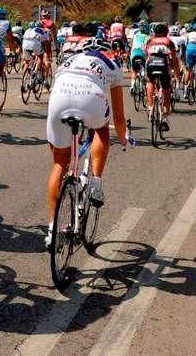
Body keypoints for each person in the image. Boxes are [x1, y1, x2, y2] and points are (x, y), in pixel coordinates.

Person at [45, 36, 126, 248]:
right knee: (101, 129)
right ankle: (96, 183)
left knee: (59, 164)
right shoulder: (112, 63)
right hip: (91, 99)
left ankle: (52, 228)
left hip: (59, 100)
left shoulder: (67, 60)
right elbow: (118, 116)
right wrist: (124, 138)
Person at [145, 23, 180, 132]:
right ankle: (164, 118)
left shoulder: (150, 41)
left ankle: (150, 108)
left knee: (151, 82)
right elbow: (174, 59)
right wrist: (177, 72)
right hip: (163, 65)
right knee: (166, 89)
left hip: (151, 63)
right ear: (166, 32)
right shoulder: (169, 41)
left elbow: (147, 55)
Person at [129, 21, 150, 90]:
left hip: (134, 53)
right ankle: (147, 84)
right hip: (143, 53)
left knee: (134, 70)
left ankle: (132, 85)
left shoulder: (135, 35)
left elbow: (131, 45)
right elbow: (148, 48)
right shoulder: (148, 37)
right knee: (147, 69)